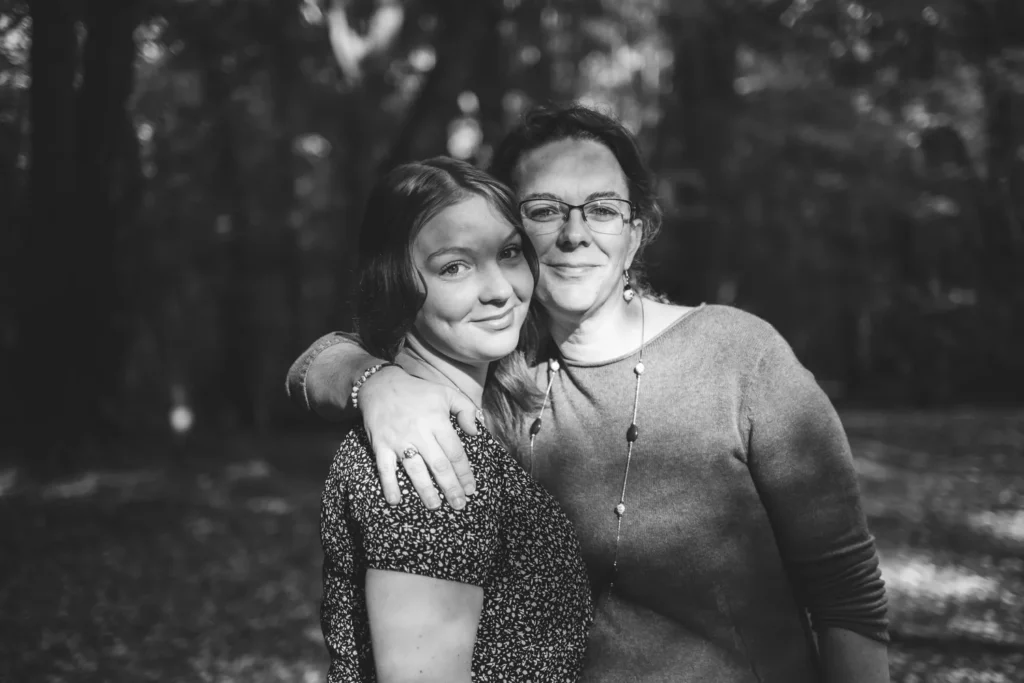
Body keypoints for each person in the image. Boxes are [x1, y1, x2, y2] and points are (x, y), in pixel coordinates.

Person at [294, 105, 890, 683]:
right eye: (546, 209)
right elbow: (317, 362)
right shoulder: (496, 371)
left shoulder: (737, 356)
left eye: (602, 209)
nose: (575, 233)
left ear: (635, 234)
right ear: (510, 223)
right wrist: (375, 382)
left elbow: (848, 599)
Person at [318, 156, 592, 683]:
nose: (498, 288)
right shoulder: (427, 457)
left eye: (509, 253)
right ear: (396, 283)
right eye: (453, 267)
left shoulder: (464, 426)